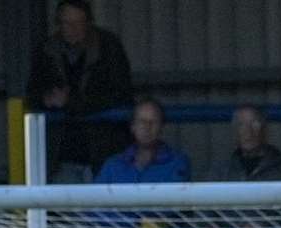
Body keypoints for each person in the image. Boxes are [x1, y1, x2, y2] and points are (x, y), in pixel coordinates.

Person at [26, 0, 134, 181]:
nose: (72, 28)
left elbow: (121, 94)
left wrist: (71, 103)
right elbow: (32, 94)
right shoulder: (46, 50)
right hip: (62, 154)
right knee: (64, 207)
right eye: (66, 23)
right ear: (58, 24)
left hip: (105, 151)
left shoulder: (109, 48)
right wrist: (46, 99)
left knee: (105, 206)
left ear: (89, 23)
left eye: (78, 22)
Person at [93, 96, 191, 184]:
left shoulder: (177, 163)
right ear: (132, 127)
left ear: (161, 127)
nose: (147, 127)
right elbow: (95, 200)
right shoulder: (112, 166)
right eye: (141, 122)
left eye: (153, 122)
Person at [213, 105, 281, 182]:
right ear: (235, 131)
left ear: (265, 129)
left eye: (255, 124)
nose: (248, 131)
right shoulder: (222, 171)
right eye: (241, 125)